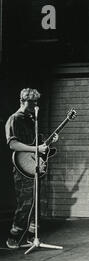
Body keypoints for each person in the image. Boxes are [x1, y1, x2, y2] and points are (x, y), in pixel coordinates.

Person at [4, 88, 57, 249]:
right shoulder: (14, 119)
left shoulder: (31, 119)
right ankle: (13, 236)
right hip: (22, 167)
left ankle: (31, 236)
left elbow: (37, 143)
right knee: (25, 203)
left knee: (36, 203)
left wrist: (48, 142)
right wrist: (36, 149)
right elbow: (13, 144)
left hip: (33, 166)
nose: (34, 104)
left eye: (36, 101)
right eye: (31, 101)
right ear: (22, 100)